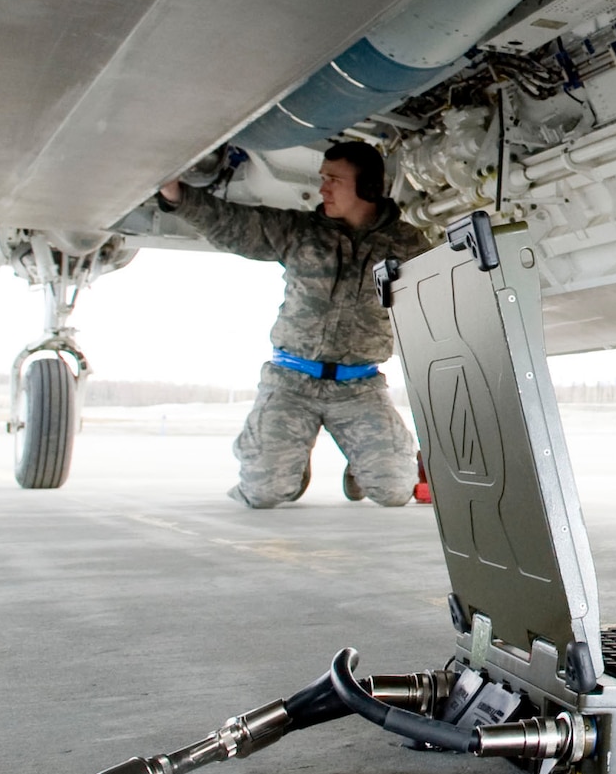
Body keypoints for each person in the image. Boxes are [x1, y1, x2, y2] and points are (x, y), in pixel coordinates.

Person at [157, 141, 431, 509]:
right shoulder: (301, 231)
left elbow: (443, 291)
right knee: (263, 493)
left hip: (359, 388)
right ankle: (289, 467)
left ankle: (361, 463)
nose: (323, 189)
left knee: (396, 491)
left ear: (367, 187)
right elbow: (234, 224)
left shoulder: (407, 244)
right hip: (291, 384)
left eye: (333, 180)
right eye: (322, 178)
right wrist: (178, 196)